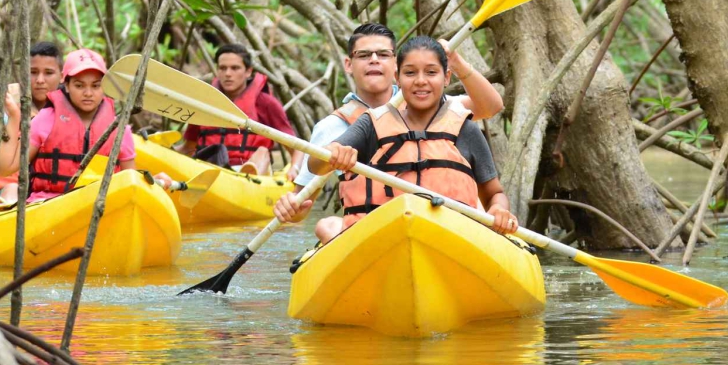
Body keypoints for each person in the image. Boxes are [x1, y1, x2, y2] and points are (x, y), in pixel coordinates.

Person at [275, 22, 502, 241]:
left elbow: (491, 107)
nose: (374, 60)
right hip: (378, 232)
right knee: (327, 227)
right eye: (364, 55)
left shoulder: (431, 104)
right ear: (348, 64)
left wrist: (456, 62)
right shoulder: (332, 127)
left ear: (395, 64)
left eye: (383, 54)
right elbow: (301, 204)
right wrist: (291, 208)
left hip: (446, 228)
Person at [22, 48, 139, 202]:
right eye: (79, 86)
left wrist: (153, 181)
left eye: (96, 86)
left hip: (101, 203)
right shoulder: (45, 119)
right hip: (48, 202)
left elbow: (132, 179)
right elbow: (13, 167)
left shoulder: (120, 129)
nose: (88, 93)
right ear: (67, 84)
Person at [177, 42, 294, 175]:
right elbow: (188, 148)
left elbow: (296, 148)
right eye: (222, 68)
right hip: (207, 171)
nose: (228, 73)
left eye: (235, 68)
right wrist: (160, 149)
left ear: (248, 71)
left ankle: (249, 179)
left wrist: (294, 169)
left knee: (263, 152)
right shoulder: (204, 104)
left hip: (249, 174)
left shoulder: (266, 103)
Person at [0, 42, 64, 204]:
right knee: (12, 189)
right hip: (5, 191)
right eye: (33, 72)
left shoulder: (70, 110)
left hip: (48, 194)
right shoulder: (9, 104)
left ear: (62, 75)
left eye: (48, 73)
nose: (40, 80)